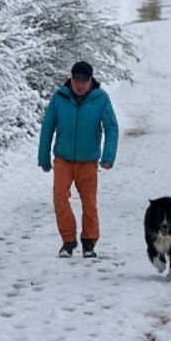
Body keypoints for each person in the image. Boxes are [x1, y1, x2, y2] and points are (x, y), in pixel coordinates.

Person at [38, 60, 118, 258]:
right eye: (76, 79)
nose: (79, 84)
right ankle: (68, 241)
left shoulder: (101, 99)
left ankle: (89, 242)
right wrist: (44, 156)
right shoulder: (59, 97)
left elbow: (111, 127)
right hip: (63, 159)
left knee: (89, 202)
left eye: (84, 80)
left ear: (90, 80)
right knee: (59, 199)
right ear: (71, 79)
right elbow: (48, 126)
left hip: (88, 160)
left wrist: (108, 156)